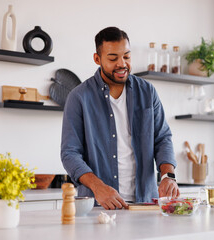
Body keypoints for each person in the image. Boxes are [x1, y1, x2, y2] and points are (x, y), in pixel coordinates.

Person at [61, 26, 180, 210]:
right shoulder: (79, 98)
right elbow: (70, 154)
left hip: (146, 204)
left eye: (126, 56)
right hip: (99, 205)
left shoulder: (148, 92)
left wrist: (168, 176)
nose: (122, 64)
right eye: (113, 58)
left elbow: (162, 138)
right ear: (97, 59)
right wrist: (98, 187)